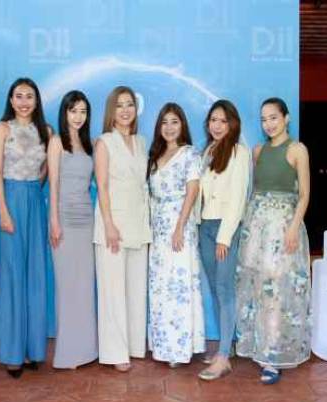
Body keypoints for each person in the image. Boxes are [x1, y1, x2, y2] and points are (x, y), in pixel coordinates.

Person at [0, 78, 51, 379]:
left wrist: (33, 192)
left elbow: (44, 171)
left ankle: (33, 350)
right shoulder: (2, 129)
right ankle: (13, 354)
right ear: (11, 99)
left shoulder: (46, 131)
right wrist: (3, 210)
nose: (24, 101)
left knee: (35, 276)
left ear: (36, 100)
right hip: (9, 204)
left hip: (35, 204)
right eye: (18, 96)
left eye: (29, 96)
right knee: (12, 275)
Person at [235, 97, 311, 384]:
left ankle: (273, 356)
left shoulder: (297, 150)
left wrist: (293, 228)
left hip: (282, 227)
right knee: (255, 284)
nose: (268, 124)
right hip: (256, 226)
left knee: (277, 288)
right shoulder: (258, 150)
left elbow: (304, 194)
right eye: (264, 119)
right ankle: (256, 346)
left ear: (286, 118)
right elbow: (255, 191)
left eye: (274, 118)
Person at [93, 86, 151, 372]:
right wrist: (108, 225)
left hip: (139, 223)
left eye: (129, 104)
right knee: (113, 290)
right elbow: (102, 186)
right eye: (119, 105)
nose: (125, 110)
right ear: (111, 111)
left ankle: (134, 346)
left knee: (135, 288)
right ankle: (115, 352)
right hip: (113, 224)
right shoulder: (104, 142)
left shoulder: (141, 141)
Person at [146, 102, 205, 367]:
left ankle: (180, 348)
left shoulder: (190, 154)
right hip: (158, 229)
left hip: (179, 225)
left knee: (179, 284)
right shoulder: (155, 156)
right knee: (161, 285)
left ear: (182, 125)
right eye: (164, 122)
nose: (169, 127)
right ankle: (162, 345)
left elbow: (192, 191)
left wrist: (180, 226)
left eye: (174, 122)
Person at [196, 100, 250, 381]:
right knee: (216, 290)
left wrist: (224, 238)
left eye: (223, 121)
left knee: (224, 288)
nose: (217, 126)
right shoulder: (208, 151)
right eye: (213, 120)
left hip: (224, 229)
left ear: (232, 124)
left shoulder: (239, 152)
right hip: (204, 226)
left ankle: (224, 358)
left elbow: (238, 198)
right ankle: (225, 346)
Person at [48, 90, 98, 369]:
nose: (78, 117)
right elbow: (53, 184)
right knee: (67, 287)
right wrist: (54, 221)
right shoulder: (57, 142)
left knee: (84, 286)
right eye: (73, 111)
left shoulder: (89, 144)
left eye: (83, 111)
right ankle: (68, 354)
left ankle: (87, 350)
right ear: (64, 113)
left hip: (86, 220)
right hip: (63, 219)